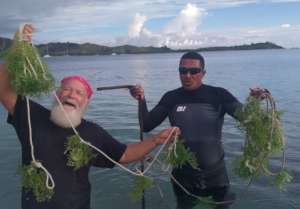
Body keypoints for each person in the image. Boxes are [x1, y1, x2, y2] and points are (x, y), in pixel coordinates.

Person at [0, 24, 180, 209]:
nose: (71, 95)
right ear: (56, 95)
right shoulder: (33, 117)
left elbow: (124, 154)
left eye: (79, 93)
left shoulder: (92, 133)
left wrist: (155, 140)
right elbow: (4, 90)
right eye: (66, 90)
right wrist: (17, 47)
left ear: (86, 103)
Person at [130, 51, 266, 209]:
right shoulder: (171, 97)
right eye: (182, 70)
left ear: (203, 73)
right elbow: (146, 125)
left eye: (194, 71)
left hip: (217, 176)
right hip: (183, 176)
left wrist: (256, 102)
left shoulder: (219, 94)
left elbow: (248, 119)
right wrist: (141, 99)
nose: (187, 75)